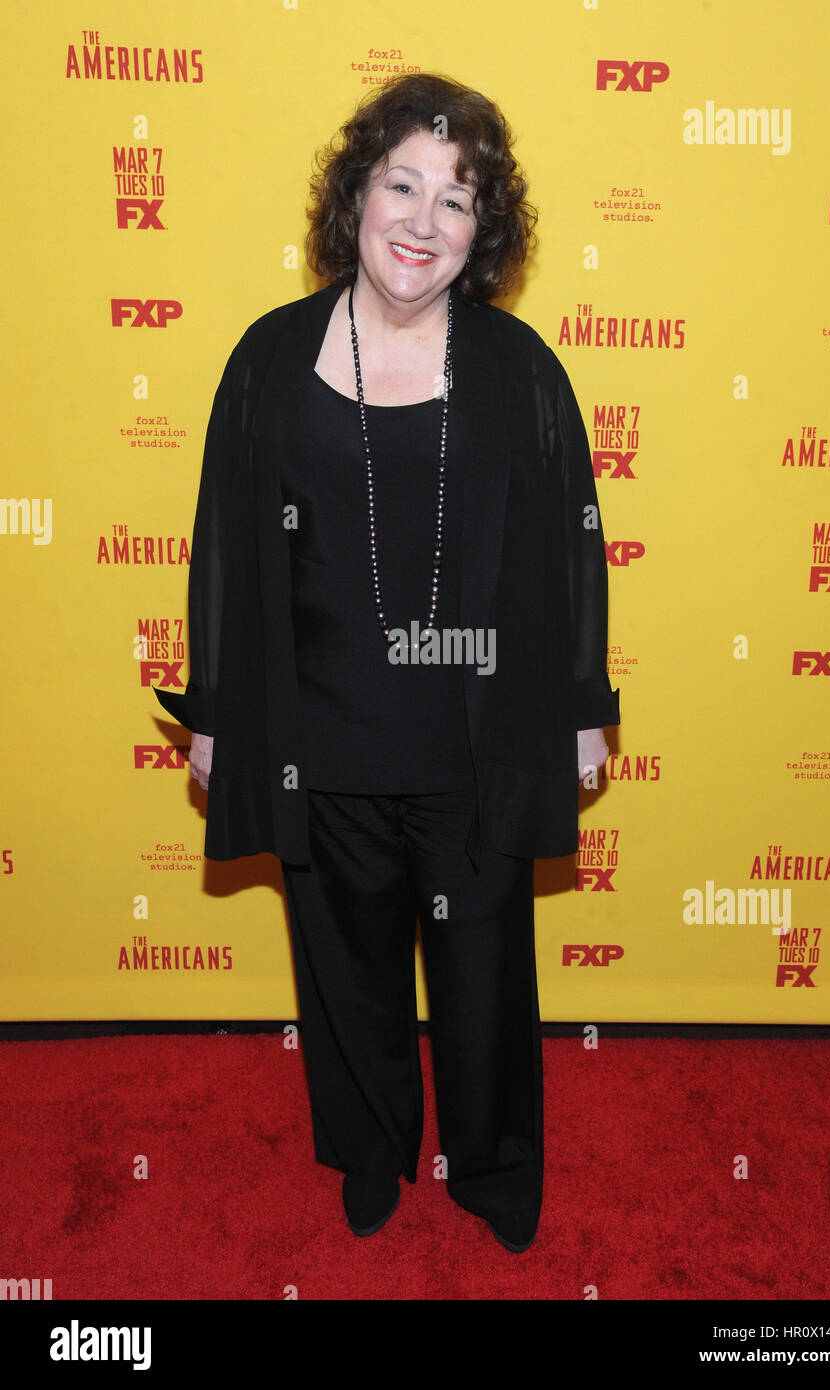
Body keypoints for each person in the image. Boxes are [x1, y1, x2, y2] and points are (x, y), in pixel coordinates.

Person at [153, 72, 619, 1254]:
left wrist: (579, 706)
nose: (420, 221)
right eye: (400, 185)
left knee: (483, 986)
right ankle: (369, 1156)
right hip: (324, 744)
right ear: (354, 197)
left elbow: (574, 545)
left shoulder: (520, 372)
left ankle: (494, 1175)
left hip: (474, 749)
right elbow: (220, 541)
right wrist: (216, 712)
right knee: (346, 979)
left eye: (455, 201)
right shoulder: (267, 359)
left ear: (484, 231)